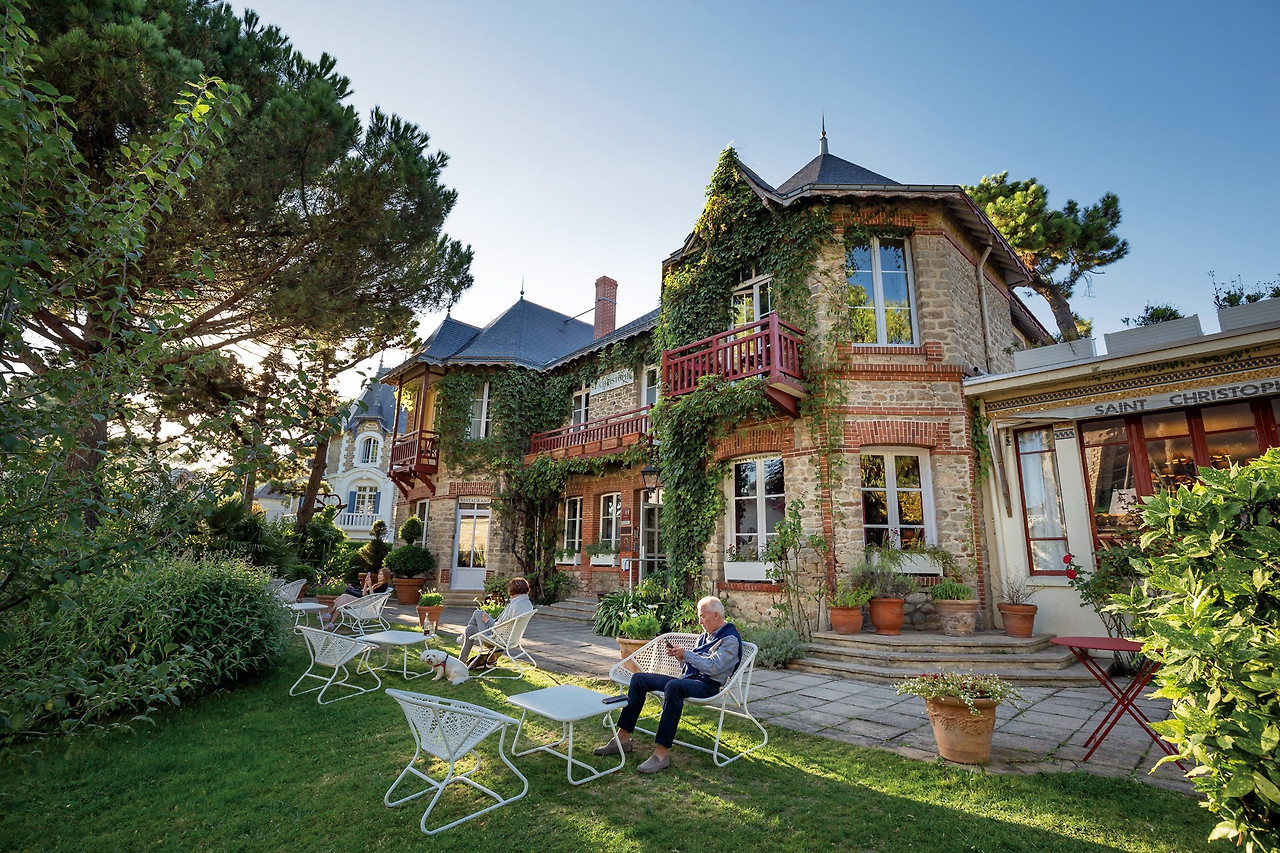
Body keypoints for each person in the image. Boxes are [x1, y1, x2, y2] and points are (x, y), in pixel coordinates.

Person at [594, 596, 741, 774]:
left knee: (674, 686)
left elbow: (714, 667)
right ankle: (622, 739)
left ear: (716, 615)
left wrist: (687, 654)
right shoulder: (705, 637)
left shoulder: (730, 639)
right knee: (639, 679)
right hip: (689, 680)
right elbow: (691, 666)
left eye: (703, 617)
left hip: (708, 686)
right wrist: (680, 656)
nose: (700, 621)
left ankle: (661, 754)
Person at [458, 577, 534, 667]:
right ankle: (465, 639)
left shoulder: (514, 606)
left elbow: (497, 628)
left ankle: (461, 657)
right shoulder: (527, 604)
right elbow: (504, 624)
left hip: (498, 639)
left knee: (473, 624)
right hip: (511, 639)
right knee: (474, 620)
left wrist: (487, 621)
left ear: (513, 590)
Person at [322, 565, 391, 627]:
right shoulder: (377, 585)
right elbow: (364, 594)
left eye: (381, 574)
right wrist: (366, 583)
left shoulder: (383, 586)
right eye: (379, 574)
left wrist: (370, 585)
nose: (379, 576)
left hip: (366, 603)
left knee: (344, 597)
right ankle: (331, 622)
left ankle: (330, 616)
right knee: (343, 599)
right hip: (364, 600)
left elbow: (372, 597)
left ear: (386, 576)